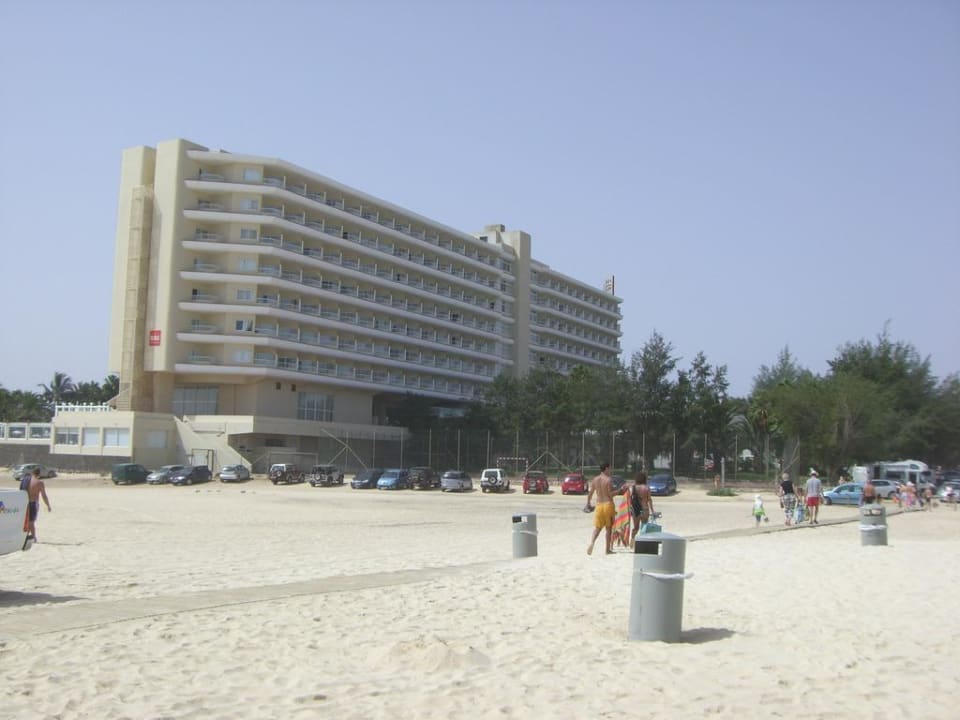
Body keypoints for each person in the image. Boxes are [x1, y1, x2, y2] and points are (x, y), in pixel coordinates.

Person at [586, 463, 616, 555]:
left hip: (598, 505)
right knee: (609, 528)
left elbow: (590, 493)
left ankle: (592, 542)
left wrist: (588, 503)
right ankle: (607, 550)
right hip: (608, 505)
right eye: (609, 469)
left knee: (598, 528)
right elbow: (610, 494)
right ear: (606, 469)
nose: (610, 470)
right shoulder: (608, 480)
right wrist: (620, 490)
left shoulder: (595, 479)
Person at [25, 467, 52, 541]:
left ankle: (26, 536)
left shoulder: (27, 481)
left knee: (27, 521)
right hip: (33, 503)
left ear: (32, 473)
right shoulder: (39, 482)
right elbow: (44, 495)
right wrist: (48, 505)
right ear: (39, 474)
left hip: (25, 502)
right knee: (31, 521)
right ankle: (33, 538)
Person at [627, 472, 653, 543]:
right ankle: (643, 541)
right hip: (645, 509)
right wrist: (652, 510)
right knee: (644, 526)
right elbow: (649, 500)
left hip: (635, 510)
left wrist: (629, 509)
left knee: (636, 527)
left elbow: (629, 500)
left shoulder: (632, 488)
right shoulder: (646, 488)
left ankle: (632, 540)